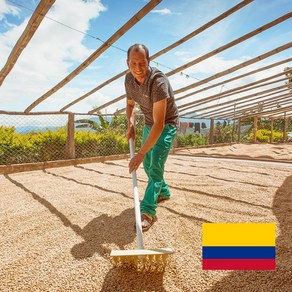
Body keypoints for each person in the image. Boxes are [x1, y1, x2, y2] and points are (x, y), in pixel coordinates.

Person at [125, 44, 179, 232]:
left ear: (148, 61)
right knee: (148, 165)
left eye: (142, 63)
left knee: (154, 164)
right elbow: (130, 104)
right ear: (127, 63)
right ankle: (163, 191)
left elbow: (160, 123)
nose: (138, 68)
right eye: (133, 63)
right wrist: (130, 124)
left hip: (166, 124)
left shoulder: (158, 82)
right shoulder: (129, 80)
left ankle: (147, 211)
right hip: (149, 123)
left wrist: (140, 153)